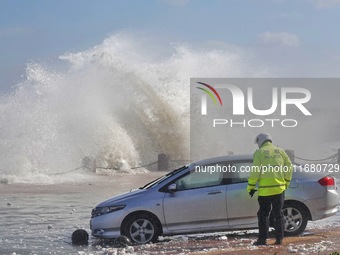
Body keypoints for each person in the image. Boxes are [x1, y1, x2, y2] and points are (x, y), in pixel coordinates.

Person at [247, 133, 293, 245]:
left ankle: (262, 240)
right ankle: (279, 239)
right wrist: (286, 182)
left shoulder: (259, 153)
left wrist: (251, 186)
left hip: (265, 191)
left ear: (259, 141)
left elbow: (255, 172)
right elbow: (289, 167)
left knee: (263, 214)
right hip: (279, 190)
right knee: (278, 214)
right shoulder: (280, 151)